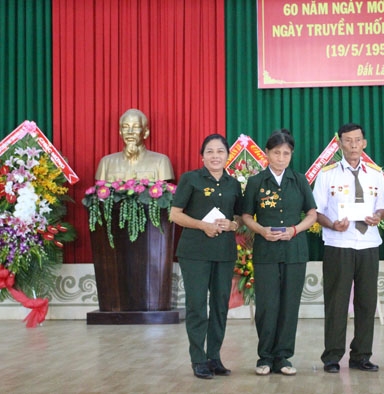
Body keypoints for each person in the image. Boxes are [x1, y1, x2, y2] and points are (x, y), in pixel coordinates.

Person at [312, 123, 384, 374]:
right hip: (339, 244)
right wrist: (332, 225)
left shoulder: (376, 174)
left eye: (358, 140)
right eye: (348, 140)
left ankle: (362, 356)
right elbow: (316, 212)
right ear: (340, 144)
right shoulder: (327, 174)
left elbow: (383, 206)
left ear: (364, 143)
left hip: (368, 243)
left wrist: (378, 216)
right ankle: (332, 356)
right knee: (336, 302)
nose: (353, 145)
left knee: (367, 302)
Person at [241, 129, 317, 376]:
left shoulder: (299, 180)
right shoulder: (256, 182)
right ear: (267, 154)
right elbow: (245, 216)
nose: (281, 157)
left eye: (286, 153)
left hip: (295, 251)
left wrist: (295, 230)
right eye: (276, 153)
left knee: (289, 305)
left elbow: (312, 214)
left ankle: (283, 357)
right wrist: (261, 230)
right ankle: (265, 357)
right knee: (267, 305)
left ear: (291, 155)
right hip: (266, 251)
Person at [170, 134, 243, 379]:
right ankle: (198, 359)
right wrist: (203, 226)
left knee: (221, 306)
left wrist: (232, 225)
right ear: (202, 156)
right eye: (210, 151)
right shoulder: (190, 179)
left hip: (224, 253)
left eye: (220, 151)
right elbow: (175, 214)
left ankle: (214, 357)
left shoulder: (233, 184)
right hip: (195, 253)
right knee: (197, 306)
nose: (215, 156)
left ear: (227, 156)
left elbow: (240, 218)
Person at [95, 108, 174, 181]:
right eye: (125, 127)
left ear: (145, 132)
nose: (130, 132)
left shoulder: (161, 161)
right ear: (120, 132)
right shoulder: (106, 162)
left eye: (136, 127)